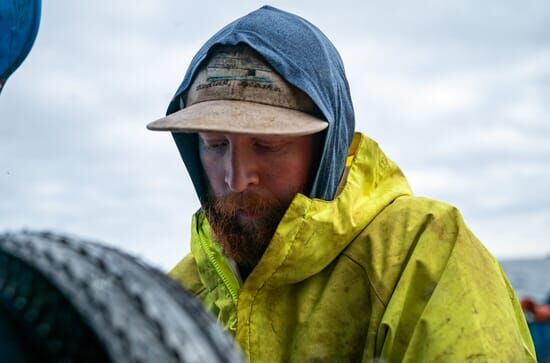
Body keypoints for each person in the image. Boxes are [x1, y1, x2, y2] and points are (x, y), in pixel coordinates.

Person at [147, 6, 536, 362]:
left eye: (268, 144)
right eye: (214, 145)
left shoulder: (425, 254)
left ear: (325, 148)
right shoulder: (176, 297)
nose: (236, 176)